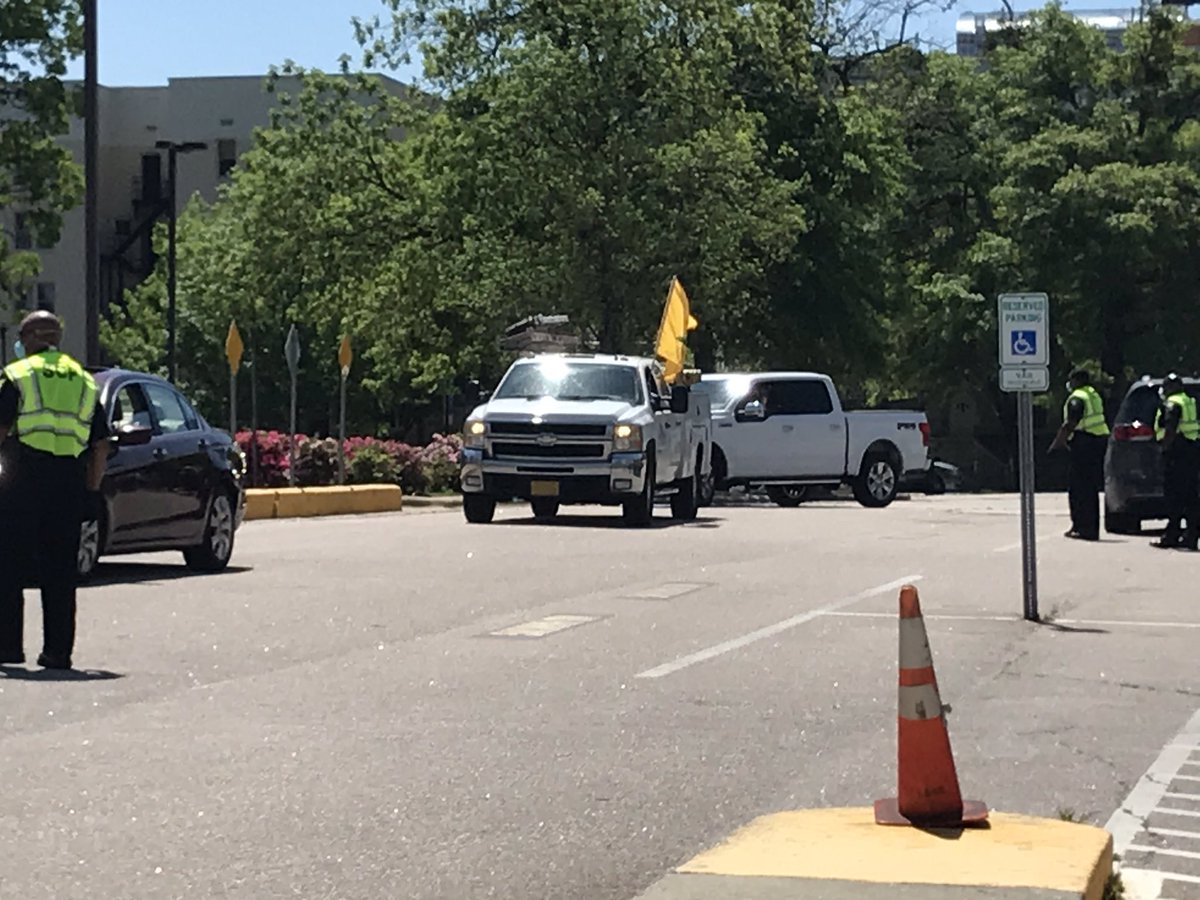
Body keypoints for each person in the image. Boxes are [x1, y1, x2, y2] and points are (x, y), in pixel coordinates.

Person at [0, 311, 111, 669]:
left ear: (31, 337)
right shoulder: (84, 381)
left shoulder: (18, 375)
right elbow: (100, 447)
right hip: (67, 483)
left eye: (21, 336)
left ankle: (7, 647)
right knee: (61, 571)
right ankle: (57, 652)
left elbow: (0, 431)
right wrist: (91, 492)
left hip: (20, 480)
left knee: (7, 566)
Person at [1049, 368, 1109, 541]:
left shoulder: (1077, 398)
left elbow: (1070, 423)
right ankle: (1091, 528)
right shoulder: (1093, 395)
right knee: (1090, 489)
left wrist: (1058, 443)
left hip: (1084, 443)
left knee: (1078, 488)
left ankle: (1081, 527)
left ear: (1076, 381)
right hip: (1098, 442)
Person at [1152, 373, 1198, 551]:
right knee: (1191, 497)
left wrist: (1164, 448)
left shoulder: (1173, 403)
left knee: (1174, 496)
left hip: (1176, 453)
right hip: (1191, 451)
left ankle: (1172, 535)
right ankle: (1191, 536)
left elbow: (1170, 427)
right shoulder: (1189, 401)